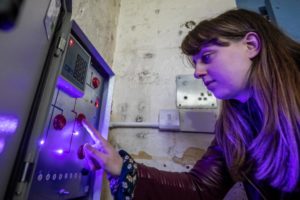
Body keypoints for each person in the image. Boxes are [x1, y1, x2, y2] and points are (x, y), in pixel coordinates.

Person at [81, 8, 300, 200]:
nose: (197, 72)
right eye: (195, 63)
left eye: (207, 56)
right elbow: (201, 189)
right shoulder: (231, 127)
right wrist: (122, 168)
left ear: (251, 45)